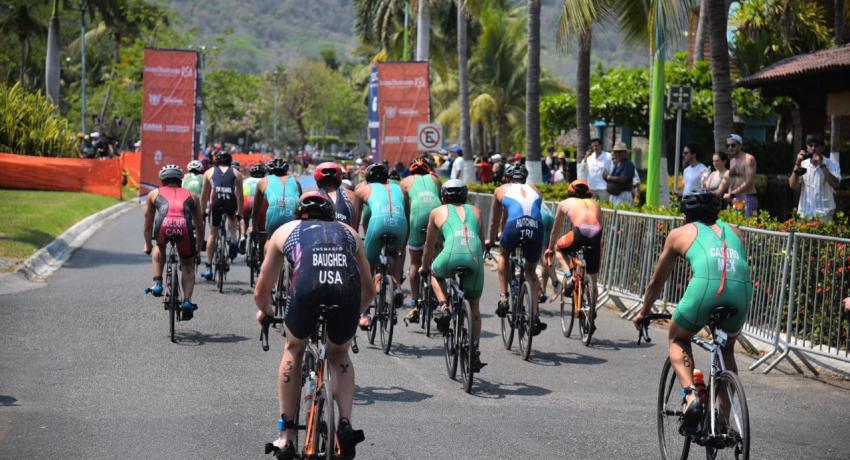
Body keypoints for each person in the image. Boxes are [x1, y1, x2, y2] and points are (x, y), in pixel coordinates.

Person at [255, 192, 373, 459]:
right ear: (332, 214)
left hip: (306, 291)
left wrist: (266, 312)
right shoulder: (349, 232)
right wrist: (359, 312)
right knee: (339, 353)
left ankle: (285, 436)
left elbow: (262, 289)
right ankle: (344, 423)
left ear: (300, 213)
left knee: (294, 348)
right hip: (346, 294)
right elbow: (369, 289)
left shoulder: (286, 230)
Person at [632, 189, 752, 435]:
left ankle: (691, 397)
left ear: (686, 216)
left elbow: (658, 281)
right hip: (742, 292)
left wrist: (644, 311)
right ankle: (722, 420)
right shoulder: (735, 231)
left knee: (678, 338)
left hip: (707, 288)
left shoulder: (679, 233)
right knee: (726, 348)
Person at [420, 180, 486, 370]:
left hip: (449, 255)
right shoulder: (477, 211)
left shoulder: (437, 212)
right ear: (465, 195)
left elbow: (429, 245)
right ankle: (474, 351)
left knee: (434, 273)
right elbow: (480, 242)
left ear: (443, 196)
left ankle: (444, 306)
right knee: (474, 306)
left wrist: (424, 267)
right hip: (474, 257)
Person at [487, 163, 547, 335]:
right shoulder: (535, 188)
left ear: (507, 178)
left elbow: (495, 220)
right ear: (525, 178)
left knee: (504, 255)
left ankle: (504, 297)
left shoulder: (501, 189)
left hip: (514, 226)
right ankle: (535, 315)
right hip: (536, 226)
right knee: (530, 271)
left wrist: (491, 240)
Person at [144, 164, 204, 319]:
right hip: (185, 227)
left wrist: (148, 244)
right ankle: (186, 301)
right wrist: (198, 248)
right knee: (187, 265)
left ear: (163, 180)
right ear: (180, 180)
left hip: (163, 226)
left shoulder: (154, 194)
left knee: (159, 247)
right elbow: (199, 224)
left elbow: (148, 224)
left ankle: (157, 284)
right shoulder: (192, 196)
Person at [354, 163, 409, 329]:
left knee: (367, 264)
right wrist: (403, 246)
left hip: (378, 223)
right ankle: (397, 286)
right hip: (400, 225)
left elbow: (355, 221)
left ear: (368, 179)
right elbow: (406, 215)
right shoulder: (401, 189)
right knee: (394, 254)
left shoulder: (362, 189)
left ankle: (364, 314)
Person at [544, 180, 603, 313]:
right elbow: (598, 226)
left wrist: (550, 248)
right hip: (596, 236)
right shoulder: (596, 204)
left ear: (570, 192)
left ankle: (570, 277)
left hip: (579, 232)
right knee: (593, 278)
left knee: (559, 249)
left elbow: (555, 230)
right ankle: (592, 312)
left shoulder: (565, 203)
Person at [400, 157, 442, 323]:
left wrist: (405, 240)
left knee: (414, 262)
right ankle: (442, 298)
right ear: (428, 170)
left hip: (417, 217)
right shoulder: (435, 179)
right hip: (436, 214)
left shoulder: (405, 182)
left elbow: (405, 211)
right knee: (437, 256)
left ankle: (415, 304)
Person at [200, 151, 244, 280]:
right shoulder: (237, 173)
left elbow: (204, 196)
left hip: (216, 203)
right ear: (230, 161)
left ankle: (208, 267)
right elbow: (240, 196)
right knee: (232, 220)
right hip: (230, 202)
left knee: (213, 234)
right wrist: (239, 213)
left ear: (216, 161)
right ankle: (233, 240)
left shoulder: (209, 172)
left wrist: (203, 212)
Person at [789, 134, 841, 221]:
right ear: (807, 147)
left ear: (822, 148)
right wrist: (797, 163)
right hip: (804, 214)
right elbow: (793, 185)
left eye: (816, 146)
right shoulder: (802, 164)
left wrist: (822, 165)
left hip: (824, 215)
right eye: (810, 145)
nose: (813, 148)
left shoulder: (832, 164)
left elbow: (835, 184)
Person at [252, 158, 303, 246]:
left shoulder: (263, 181)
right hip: (292, 220)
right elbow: (301, 208)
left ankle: (267, 256)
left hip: (273, 218)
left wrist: (255, 229)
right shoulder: (296, 182)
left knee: (269, 241)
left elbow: (256, 212)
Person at [315, 161, 360, 227]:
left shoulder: (310, 197)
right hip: (345, 235)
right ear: (339, 178)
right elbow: (354, 227)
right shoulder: (352, 195)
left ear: (317, 179)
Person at [723, 134, 758, 217]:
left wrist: (732, 194)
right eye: (728, 145)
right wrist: (730, 200)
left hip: (747, 197)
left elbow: (749, 182)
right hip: (735, 198)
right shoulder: (732, 161)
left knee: (746, 227)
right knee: (733, 227)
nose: (730, 148)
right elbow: (732, 182)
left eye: (733, 145)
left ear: (740, 145)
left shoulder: (749, 159)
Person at [239, 163, 267, 253]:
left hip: (246, 201)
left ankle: (243, 234)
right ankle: (259, 243)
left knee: (243, 218)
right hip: (260, 203)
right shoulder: (265, 181)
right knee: (260, 225)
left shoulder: (245, 181)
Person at [579, 137, 613, 202]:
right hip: (591, 187)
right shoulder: (590, 157)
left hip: (603, 188)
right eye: (593, 146)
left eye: (596, 146)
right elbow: (582, 169)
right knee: (592, 208)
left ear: (601, 145)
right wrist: (586, 157)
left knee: (604, 209)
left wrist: (609, 178)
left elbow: (612, 169)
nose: (595, 148)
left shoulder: (608, 156)